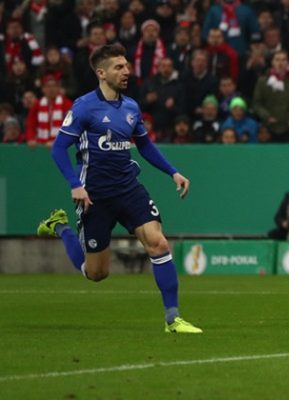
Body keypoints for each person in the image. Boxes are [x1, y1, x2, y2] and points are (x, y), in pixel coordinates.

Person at [36, 44, 201, 334]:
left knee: (159, 243)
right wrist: (76, 185)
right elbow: (58, 149)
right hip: (95, 195)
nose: (126, 71)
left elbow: (145, 146)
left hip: (128, 188)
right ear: (101, 73)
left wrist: (173, 172)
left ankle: (173, 319)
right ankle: (60, 227)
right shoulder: (84, 107)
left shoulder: (131, 107)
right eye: (119, 67)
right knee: (96, 273)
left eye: (126, 65)